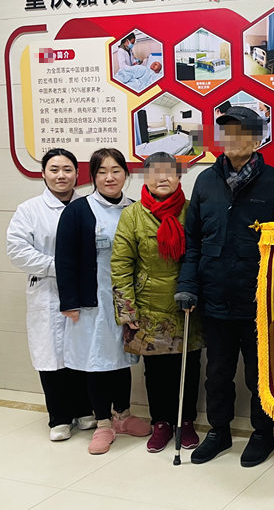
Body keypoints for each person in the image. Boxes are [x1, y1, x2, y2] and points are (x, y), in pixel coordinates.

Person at [175, 106, 274, 467]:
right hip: (214, 296)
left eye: (240, 132)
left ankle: (263, 433)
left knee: (259, 373)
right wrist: (188, 284)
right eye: (226, 132)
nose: (232, 140)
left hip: (258, 298)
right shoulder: (205, 181)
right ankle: (218, 431)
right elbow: (193, 240)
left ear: (257, 139)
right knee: (217, 373)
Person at [55, 148, 151, 455]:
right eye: (102, 172)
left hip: (126, 301)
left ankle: (123, 415)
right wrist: (69, 302)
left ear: (126, 174)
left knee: (122, 359)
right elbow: (65, 260)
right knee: (97, 362)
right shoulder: (78, 210)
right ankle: (103, 423)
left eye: (116, 170)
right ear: (93, 176)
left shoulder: (135, 209)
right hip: (91, 302)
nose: (109, 177)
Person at [111, 152, 204, 453]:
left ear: (178, 177)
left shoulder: (192, 210)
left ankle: (186, 422)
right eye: (154, 172)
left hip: (187, 305)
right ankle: (161, 422)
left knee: (189, 368)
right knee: (156, 370)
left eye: (169, 172)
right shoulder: (132, 215)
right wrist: (127, 311)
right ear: (145, 177)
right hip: (148, 307)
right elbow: (121, 264)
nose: (161, 178)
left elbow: (201, 256)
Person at [6, 148, 96, 441]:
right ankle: (59, 417)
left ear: (77, 174)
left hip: (82, 291)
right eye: (54, 169)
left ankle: (84, 410)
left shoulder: (88, 206)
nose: (61, 176)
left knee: (80, 351)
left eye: (67, 169)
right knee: (51, 355)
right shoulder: (29, 210)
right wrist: (59, 267)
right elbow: (17, 250)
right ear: (43, 173)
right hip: (47, 291)